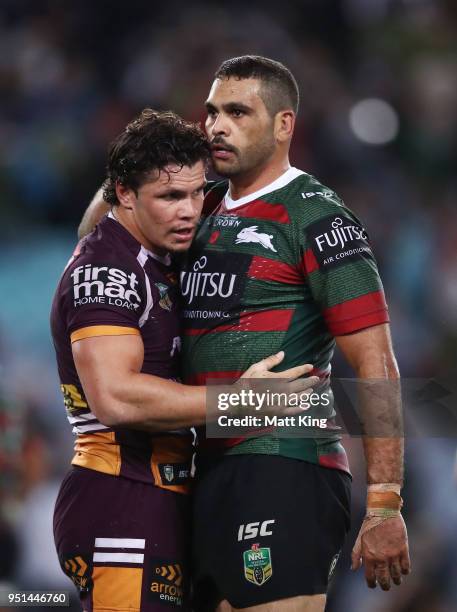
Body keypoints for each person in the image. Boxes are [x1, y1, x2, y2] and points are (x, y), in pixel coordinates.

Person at [80, 57, 410, 612]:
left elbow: (376, 363)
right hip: (201, 470)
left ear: (284, 125)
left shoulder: (320, 219)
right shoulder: (196, 207)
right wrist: (151, 160)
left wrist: (383, 503)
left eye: (237, 112)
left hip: (283, 464)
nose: (216, 126)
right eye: (210, 113)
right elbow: (96, 235)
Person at [51, 108, 315, 612]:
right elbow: (116, 398)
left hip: (166, 497)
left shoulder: (154, 254)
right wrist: (238, 403)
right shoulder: (105, 269)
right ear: (124, 194)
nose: (191, 210)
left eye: (197, 192)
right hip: (121, 496)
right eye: (170, 196)